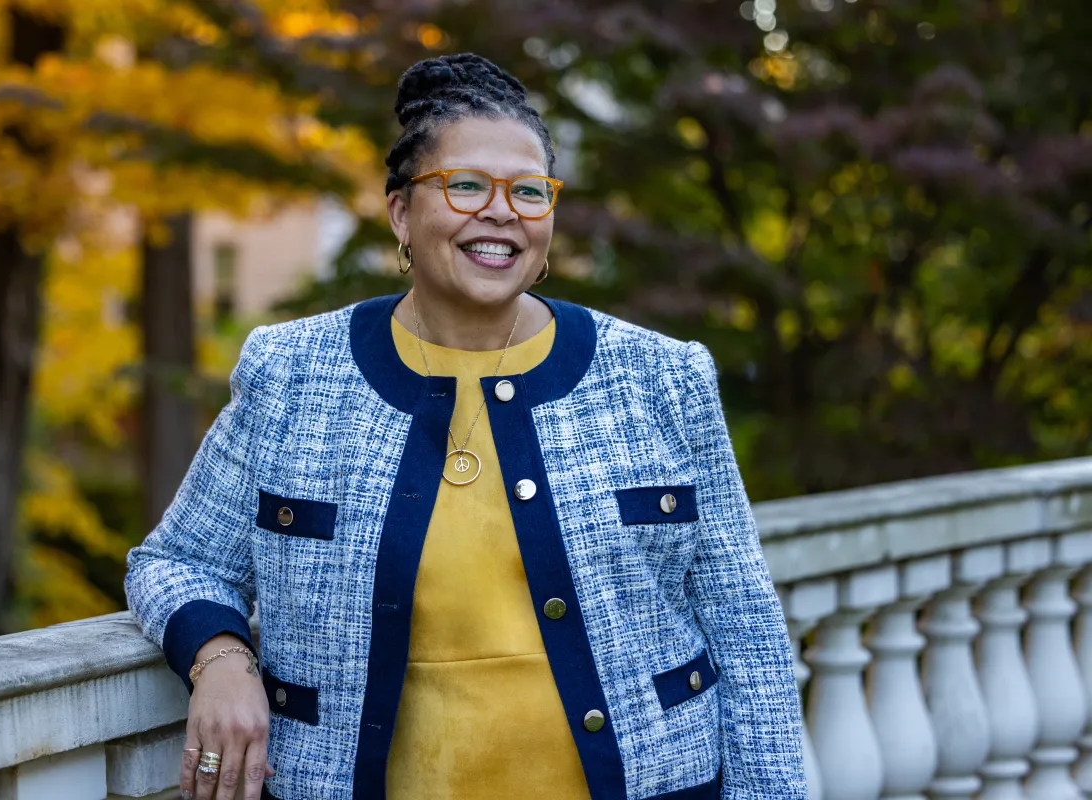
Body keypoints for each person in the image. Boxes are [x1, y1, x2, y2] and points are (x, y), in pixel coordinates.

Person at [125, 52, 806, 800]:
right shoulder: (292, 374)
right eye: (468, 186)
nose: (502, 211)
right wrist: (220, 659)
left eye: (529, 192)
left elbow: (746, 631)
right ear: (400, 213)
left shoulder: (663, 378)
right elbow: (175, 560)